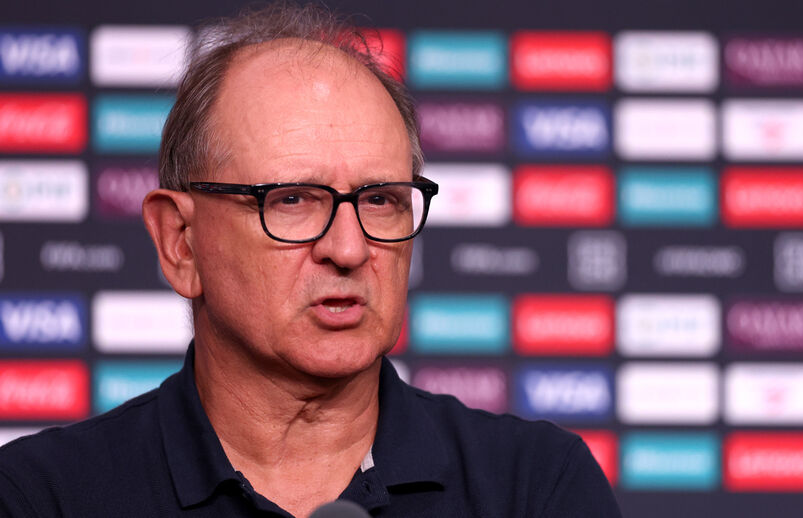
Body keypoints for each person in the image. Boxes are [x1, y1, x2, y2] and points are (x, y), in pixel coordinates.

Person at [0, 3, 622, 517]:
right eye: (292, 200)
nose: (349, 249)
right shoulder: (39, 497)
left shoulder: (536, 487)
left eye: (380, 200)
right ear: (180, 243)